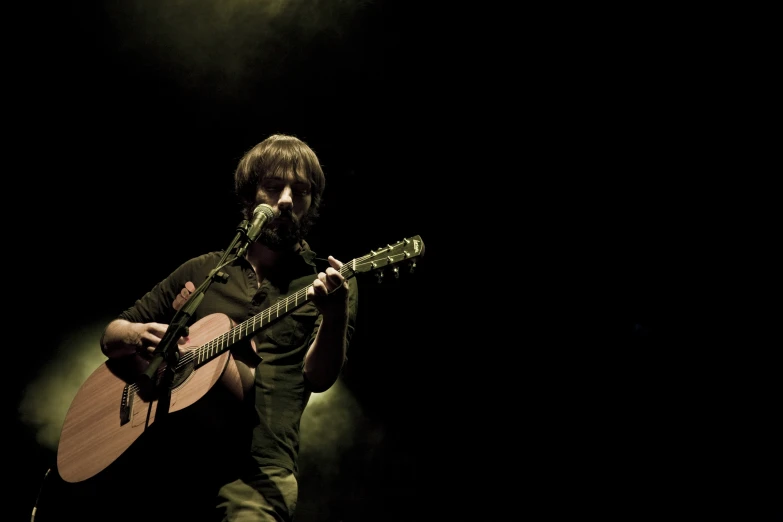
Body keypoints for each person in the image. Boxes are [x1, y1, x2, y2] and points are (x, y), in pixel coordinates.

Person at [57, 134, 359, 522]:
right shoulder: (203, 271)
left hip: (256, 473)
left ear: (310, 204)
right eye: (273, 187)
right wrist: (136, 335)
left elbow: (319, 378)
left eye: (300, 192)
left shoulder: (328, 283)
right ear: (250, 196)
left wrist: (334, 316)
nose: (286, 200)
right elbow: (111, 335)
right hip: (168, 462)